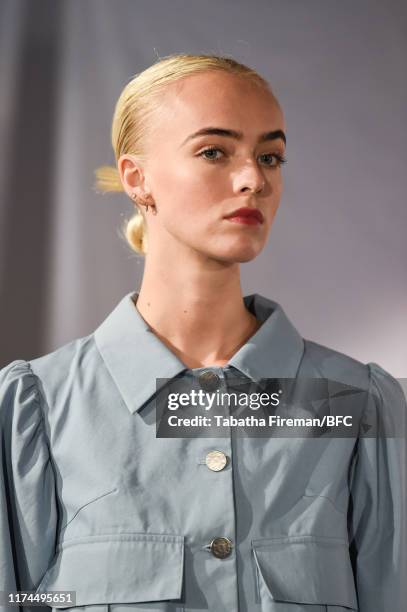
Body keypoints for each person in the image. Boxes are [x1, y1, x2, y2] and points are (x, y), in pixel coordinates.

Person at [0, 53, 405, 612]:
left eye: (270, 156)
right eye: (214, 152)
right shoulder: (36, 411)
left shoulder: (357, 406)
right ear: (136, 179)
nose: (253, 180)